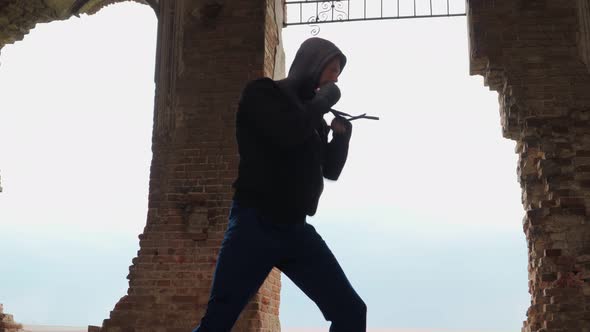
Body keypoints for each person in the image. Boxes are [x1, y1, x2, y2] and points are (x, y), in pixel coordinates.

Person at [192, 37, 366, 332]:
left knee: (350, 309)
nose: (336, 79)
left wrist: (341, 138)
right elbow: (287, 134)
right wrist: (322, 103)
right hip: (255, 223)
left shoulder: (312, 115)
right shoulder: (263, 93)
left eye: (339, 74)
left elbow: (330, 170)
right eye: (332, 69)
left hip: (295, 229)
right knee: (218, 321)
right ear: (313, 63)